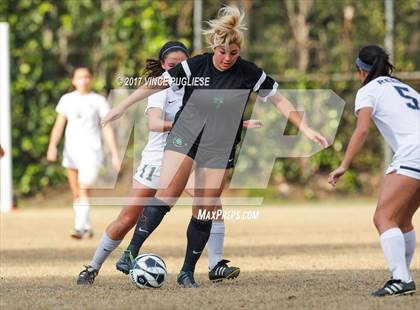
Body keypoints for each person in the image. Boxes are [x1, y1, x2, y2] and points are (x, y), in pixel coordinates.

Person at [101, 5, 327, 288]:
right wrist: (121, 107)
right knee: (167, 194)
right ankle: (130, 252)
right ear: (214, 47)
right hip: (185, 135)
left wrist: (304, 127)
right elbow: (157, 84)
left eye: (234, 53)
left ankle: (186, 272)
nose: (227, 58)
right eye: (222, 52)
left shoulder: (248, 72)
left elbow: (279, 98)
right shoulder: (196, 65)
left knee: (205, 208)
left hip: (220, 144)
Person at [77, 41, 261, 285]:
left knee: (210, 205)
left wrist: (236, 123)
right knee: (127, 219)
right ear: (164, 66)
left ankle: (215, 264)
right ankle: (92, 267)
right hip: (156, 161)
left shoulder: (199, 84)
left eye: (181, 64)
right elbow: (154, 123)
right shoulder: (161, 91)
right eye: (172, 65)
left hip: (186, 157)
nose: (177, 68)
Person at [329, 45, 419, 297]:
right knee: (401, 220)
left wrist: (344, 164)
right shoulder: (403, 86)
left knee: (383, 218)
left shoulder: (368, 90)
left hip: (413, 151)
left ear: (361, 70)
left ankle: (401, 278)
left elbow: (362, 130)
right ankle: (401, 274)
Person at [47, 66, 119, 239]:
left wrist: (115, 153)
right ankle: (86, 227)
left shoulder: (98, 100)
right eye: (79, 77)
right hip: (71, 150)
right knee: (76, 192)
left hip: (91, 150)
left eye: (86, 77)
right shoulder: (66, 99)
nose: (83, 80)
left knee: (84, 187)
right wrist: (52, 146)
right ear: (73, 81)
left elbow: (107, 128)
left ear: (91, 79)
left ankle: (79, 227)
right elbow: (59, 125)